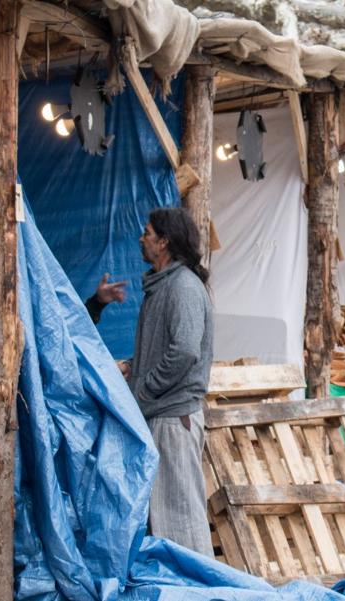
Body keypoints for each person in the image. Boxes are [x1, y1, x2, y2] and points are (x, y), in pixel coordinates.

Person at [119, 207, 214, 556]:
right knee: (163, 517)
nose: (141, 238)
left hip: (173, 419)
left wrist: (145, 388)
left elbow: (186, 351)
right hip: (162, 416)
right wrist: (134, 365)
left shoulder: (183, 287)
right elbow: (171, 347)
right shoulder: (163, 286)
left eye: (147, 233)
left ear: (164, 242)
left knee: (181, 520)